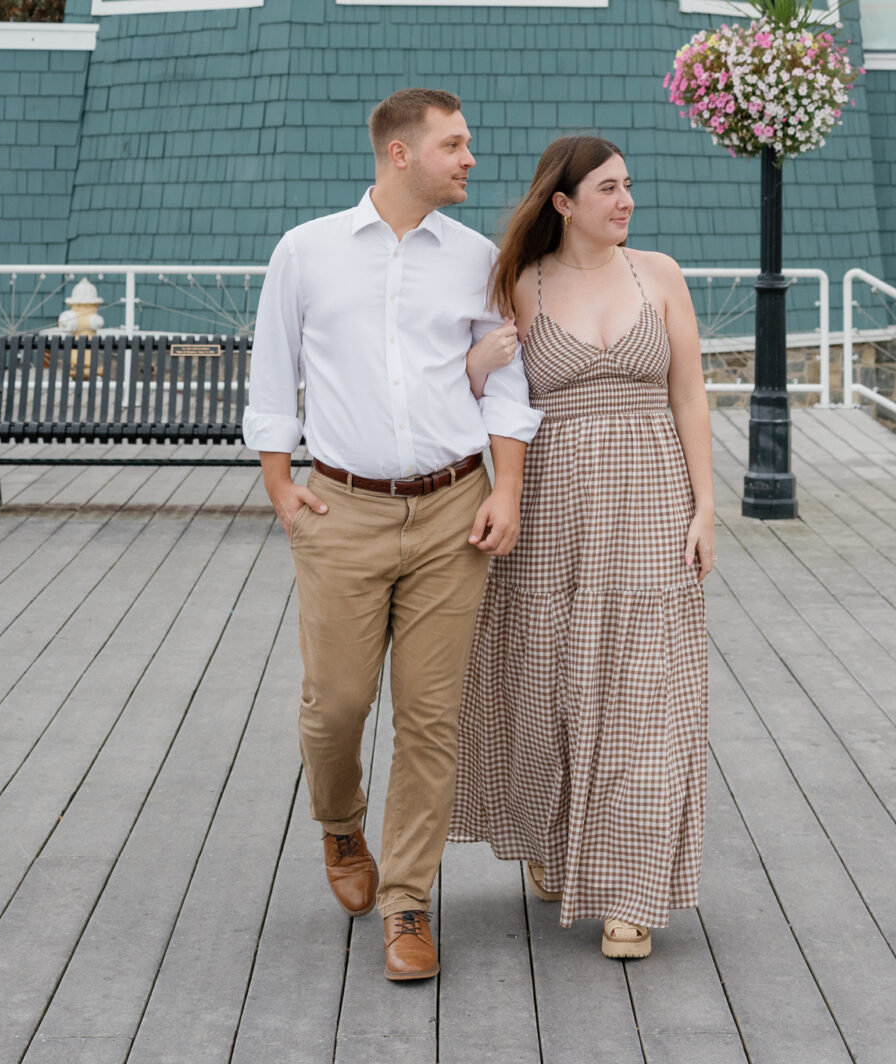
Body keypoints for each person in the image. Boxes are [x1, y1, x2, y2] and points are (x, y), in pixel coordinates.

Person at [242, 87, 541, 984]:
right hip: (342, 511)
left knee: (430, 718)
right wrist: (280, 486)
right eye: (455, 145)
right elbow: (272, 372)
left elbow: (507, 384)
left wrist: (509, 490)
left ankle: (408, 900)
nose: (471, 159)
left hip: (455, 510)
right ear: (401, 154)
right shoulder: (307, 253)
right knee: (335, 707)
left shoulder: (478, 260)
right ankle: (341, 826)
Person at [450, 135, 713, 959]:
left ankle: (633, 892)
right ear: (562, 203)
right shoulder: (517, 284)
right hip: (553, 507)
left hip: (650, 499)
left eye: (628, 186)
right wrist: (473, 368)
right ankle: (554, 839)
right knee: (547, 682)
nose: (625, 201)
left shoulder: (659, 275)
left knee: (648, 696)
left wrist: (707, 508)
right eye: (607, 189)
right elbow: (480, 401)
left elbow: (690, 393)